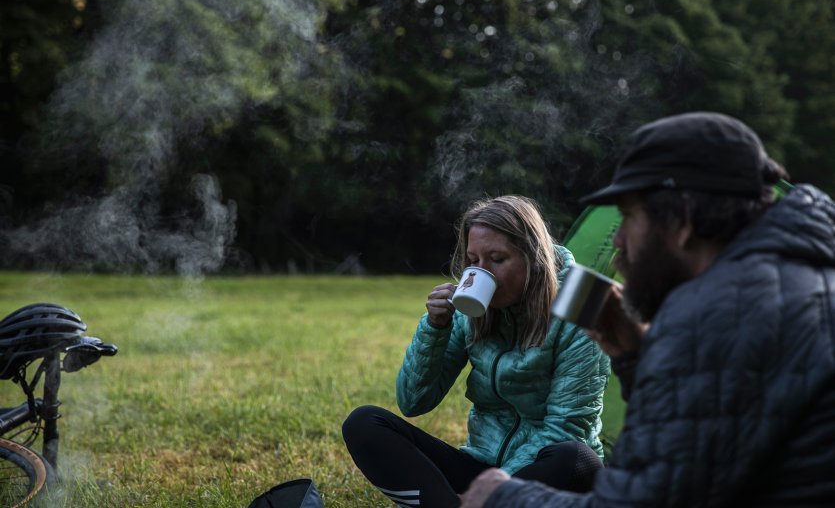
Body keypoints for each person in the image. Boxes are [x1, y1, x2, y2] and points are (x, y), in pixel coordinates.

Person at [460, 112, 835, 507]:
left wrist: (502, 498)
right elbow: (703, 448)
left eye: (629, 216)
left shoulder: (722, 313)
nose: (619, 241)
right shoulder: (800, 280)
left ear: (683, 221)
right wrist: (636, 356)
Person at [342, 195, 610, 507]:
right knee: (364, 424)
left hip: (548, 472)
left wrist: (493, 493)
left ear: (533, 257)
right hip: (482, 466)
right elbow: (413, 401)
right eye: (473, 261)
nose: (482, 273)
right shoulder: (470, 307)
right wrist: (434, 327)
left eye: (497, 259)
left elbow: (567, 428)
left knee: (575, 456)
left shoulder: (585, 301)